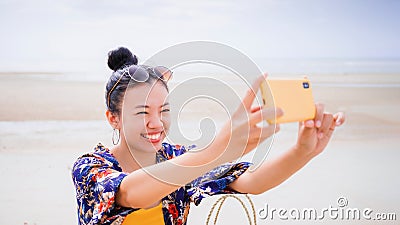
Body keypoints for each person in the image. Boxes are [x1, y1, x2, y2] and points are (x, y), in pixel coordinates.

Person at [71, 47, 345, 225]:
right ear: (113, 118)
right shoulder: (89, 168)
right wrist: (218, 149)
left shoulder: (179, 158)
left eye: (164, 110)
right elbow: (132, 193)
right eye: (142, 113)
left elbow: (251, 182)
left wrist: (304, 151)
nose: (156, 123)